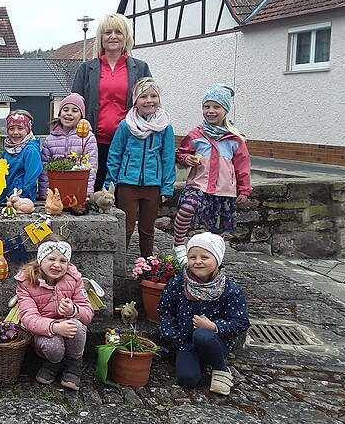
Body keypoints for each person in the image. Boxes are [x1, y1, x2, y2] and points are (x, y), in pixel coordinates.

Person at [157, 232, 249, 395]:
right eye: (192, 257)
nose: (198, 262)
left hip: (214, 342)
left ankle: (220, 368)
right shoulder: (178, 283)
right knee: (187, 380)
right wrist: (171, 333)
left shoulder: (230, 289)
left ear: (217, 260)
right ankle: (199, 362)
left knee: (202, 335)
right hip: (185, 342)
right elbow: (166, 309)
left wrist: (213, 326)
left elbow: (240, 323)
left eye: (205, 257)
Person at [71, 13, 152, 190]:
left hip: (129, 142)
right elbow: (74, 106)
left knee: (123, 193)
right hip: (94, 143)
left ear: (126, 37)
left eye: (118, 32)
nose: (113, 36)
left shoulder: (140, 68)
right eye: (108, 32)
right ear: (101, 37)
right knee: (94, 191)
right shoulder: (86, 69)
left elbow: (150, 104)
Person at [173, 84, 251, 265]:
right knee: (187, 208)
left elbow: (243, 165)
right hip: (198, 185)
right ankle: (178, 245)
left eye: (216, 107)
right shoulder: (196, 134)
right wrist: (187, 159)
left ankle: (215, 259)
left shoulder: (235, 138)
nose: (211, 111)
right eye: (207, 106)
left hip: (224, 189)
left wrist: (244, 189)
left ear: (225, 110)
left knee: (218, 229)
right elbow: (181, 154)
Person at [105, 78, 175, 257]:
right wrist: (109, 185)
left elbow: (168, 158)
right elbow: (115, 155)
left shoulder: (164, 127)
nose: (149, 100)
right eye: (144, 96)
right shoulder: (126, 125)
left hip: (152, 185)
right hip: (128, 184)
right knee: (126, 229)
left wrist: (167, 187)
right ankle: (119, 269)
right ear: (135, 101)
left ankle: (147, 266)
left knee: (147, 230)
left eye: (154, 96)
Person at [16, 234, 94, 390]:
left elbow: (87, 312)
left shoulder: (74, 279)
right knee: (52, 346)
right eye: (51, 259)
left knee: (77, 327)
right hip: (45, 331)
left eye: (63, 261)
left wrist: (73, 311)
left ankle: (73, 364)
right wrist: (54, 327)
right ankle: (53, 363)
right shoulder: (26, 282)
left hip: (70, 328)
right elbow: (28, 318)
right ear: (41, 259)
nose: (57, 265)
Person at [38, 93, 98, 197]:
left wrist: (86, 193)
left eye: (74, 111)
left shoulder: (88, 137)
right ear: (59, 113)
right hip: (56, 192)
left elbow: (91, 168)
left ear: (81, 116)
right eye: (65, 109)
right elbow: (44, 170)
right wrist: (45, 194)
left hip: (78, 190)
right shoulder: (50, 139)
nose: (69, 113)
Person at [0, 110, 42, 203]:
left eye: (20, 128)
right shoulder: (8, 150)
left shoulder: (30, 150)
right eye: (11, 128)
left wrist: (20, 196)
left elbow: (31, 177)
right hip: (6, 197)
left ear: (28, 129)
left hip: (22, 198)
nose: (15, 132)